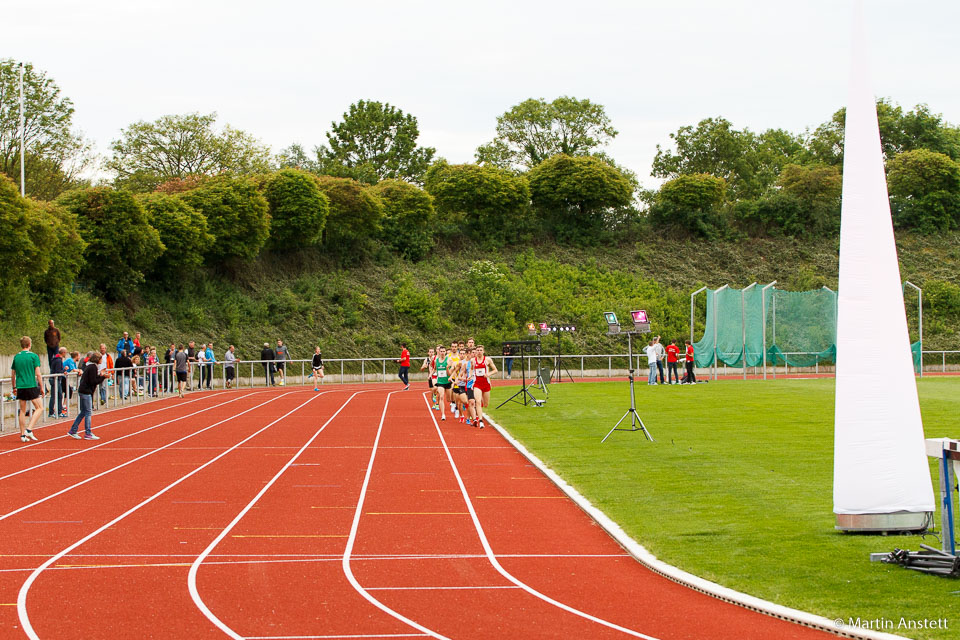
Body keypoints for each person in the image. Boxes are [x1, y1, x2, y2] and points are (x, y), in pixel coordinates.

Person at [68, 351, 110, 440]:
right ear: (97, 359)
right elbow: (93, 381)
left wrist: (101, 374)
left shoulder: (91, 366)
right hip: (86, 392)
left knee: (83, 412)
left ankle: (73, 430)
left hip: (84, 390)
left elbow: (93, 379)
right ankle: (88, 433)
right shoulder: (92, 367)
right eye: (101, 359)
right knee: (88, 412)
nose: (101, 360)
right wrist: (103, 377)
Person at [12, 336, 44, 442]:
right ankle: (29, 430)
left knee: (22, 410)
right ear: (29, 345)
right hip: (30, 385)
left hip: (20, 386)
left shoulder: (16, 357)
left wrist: (14, 387)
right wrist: (42, 387)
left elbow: (13, 374)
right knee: (40, 407)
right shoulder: (33, 356)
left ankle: (22, 435)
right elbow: (38, 374)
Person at [471, 345, 498, 429]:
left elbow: (495, 370)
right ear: (475, 352)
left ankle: (481, 405)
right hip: (477, 384)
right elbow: (472, 369)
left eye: (480, 350)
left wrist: (488, 374)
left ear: (483, 351)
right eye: (477, 350)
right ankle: (481, 421)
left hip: (486, 383)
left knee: (485, 404)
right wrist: (471, 377)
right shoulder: (473, 360)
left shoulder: (487, 360)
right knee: (477, 402)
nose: (479, 352)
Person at [47, 347, 66, 418]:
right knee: (57, 396)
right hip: (55, 380)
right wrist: (64, 370)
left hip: (54, 379)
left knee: (56, 396)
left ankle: (56, 412)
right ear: (63, 353)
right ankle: (54, 412)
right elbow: (58, 371)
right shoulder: (58, 360)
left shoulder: (56, 359)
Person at [434, 346, 450, 421]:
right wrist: (431, 374)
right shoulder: (436, 360)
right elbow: (434, 369)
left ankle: (454, 405)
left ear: (445, 352)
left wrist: (448, 369)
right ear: (439, 352)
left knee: (449, 399)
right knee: (441, 396)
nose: (442, 353)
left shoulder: (448, 360)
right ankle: (443, 414)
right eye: (441, 351)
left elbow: (451, 371)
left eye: (444, 351)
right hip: (440, 382)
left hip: (448, 381)